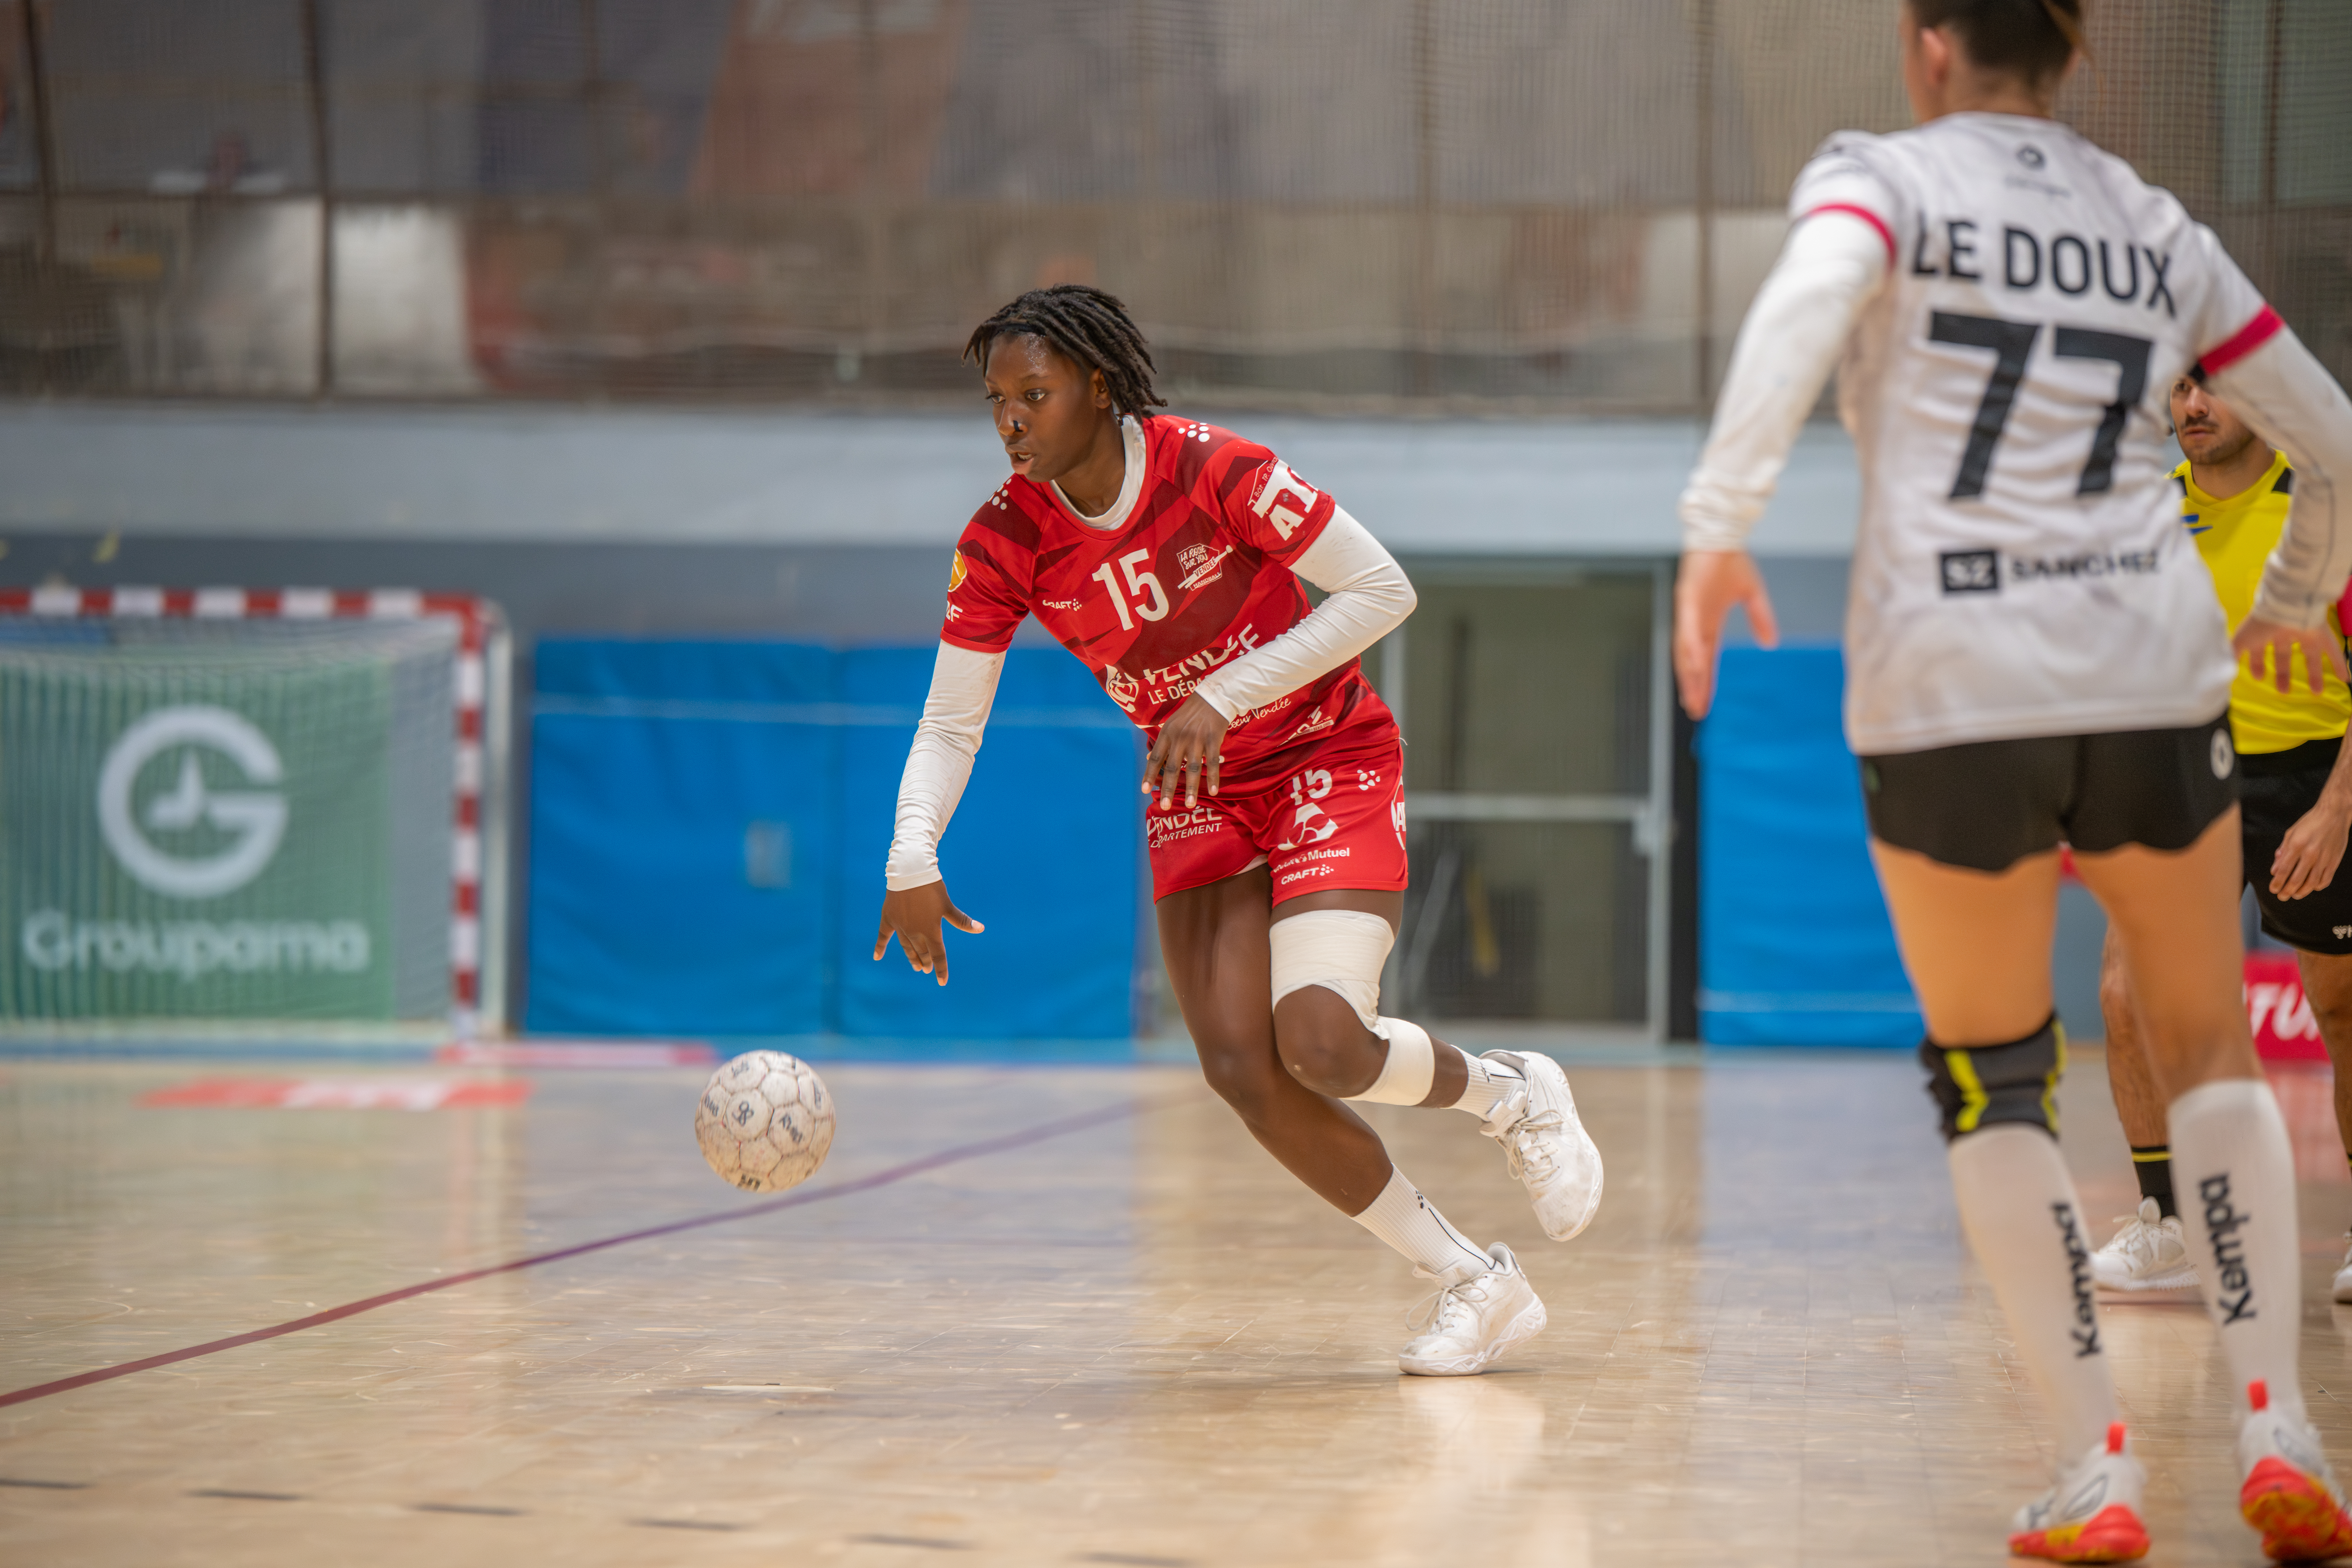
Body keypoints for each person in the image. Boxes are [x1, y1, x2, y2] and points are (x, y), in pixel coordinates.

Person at [1672, 1, 2352, 1561]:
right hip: (2148, 662)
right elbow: (2337, 435)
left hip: (1954, 672)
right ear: (2078, 52)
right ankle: (2280, 1433)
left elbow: (1800, 308)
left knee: (1996, 1077)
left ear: (1926, 48)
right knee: (2209, 1049)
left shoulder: (1881, 181)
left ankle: (2098, 1468)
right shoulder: (2152, 223)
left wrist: (1719, 522)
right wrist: (2303, 598)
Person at [872, 283, 1604, 1377]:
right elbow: (950, 719)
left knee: (1320, 1041)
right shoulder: (1002, 540)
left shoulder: (1211, 467)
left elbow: (1380, 587)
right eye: (997, 402)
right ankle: (1477, 1284)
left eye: (1035, 393)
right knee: (1241, 1070)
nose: (1012, 420)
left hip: (1320, 754)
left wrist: (1227, 693)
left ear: (1101, 387)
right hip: (1195, 784)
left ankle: (1510, 1092)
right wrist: (912, 853)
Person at [2093, 379, 2352, 1304]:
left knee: (2341, 1005)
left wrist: (2334, 809)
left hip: (2311, 772)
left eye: (2214, 384)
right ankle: (2164, 1223)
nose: (2193, 402)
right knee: (2125, 992)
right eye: (2180, 386)